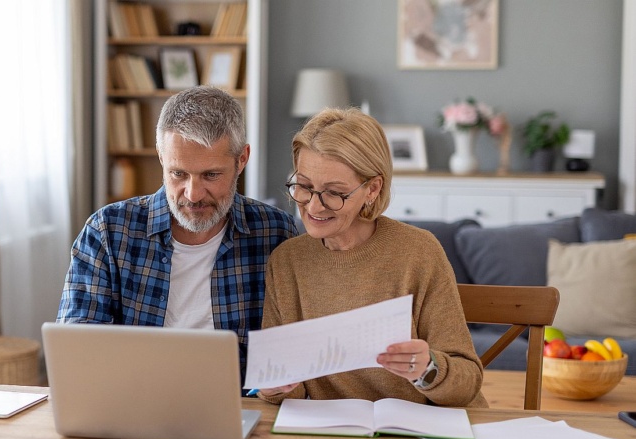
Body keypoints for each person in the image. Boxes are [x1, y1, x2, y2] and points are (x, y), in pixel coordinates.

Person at [57, 86, 298, 379]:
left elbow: (291, 343)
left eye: (211, 175)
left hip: (238, 404)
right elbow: (77, 349)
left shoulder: (275, 233)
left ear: (241, 160)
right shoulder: (107, 232)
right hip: (134, 401)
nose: (193, 195)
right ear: (161, 156)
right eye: (178, 174)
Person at [258, 107, 487, 408]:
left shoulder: (418, 252)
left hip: (416, 434)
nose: (313, 207)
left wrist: (427, 369)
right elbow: (288, 392)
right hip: (332, 436)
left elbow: (466, 380)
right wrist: (277, 386)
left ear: (372, 188)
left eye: (334, 193)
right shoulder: (287, 261)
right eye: (304, 187)